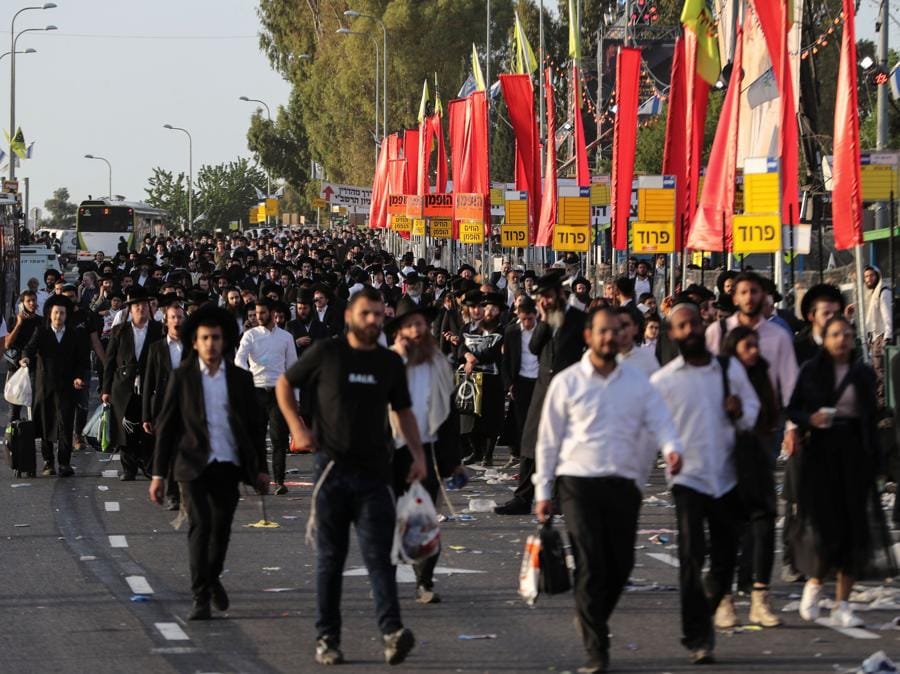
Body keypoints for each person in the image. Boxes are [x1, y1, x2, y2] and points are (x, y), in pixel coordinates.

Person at [275, 287, 426, 666]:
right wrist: (298, 428)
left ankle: (392, 632)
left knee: (381, 558)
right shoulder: (328, 353)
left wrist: (418, 453)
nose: (373, 321)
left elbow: (404, 411)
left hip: (376, 475)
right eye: (366, 314)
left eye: (378, 315)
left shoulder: (389, 363)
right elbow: (284, 384)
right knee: (331, 560)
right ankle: (327, 638)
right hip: (332, 472)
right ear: (349, 317)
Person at [534, 306, 683, 673]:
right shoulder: (567, 382)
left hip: (624, 482)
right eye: (602, 331)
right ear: (588, 336)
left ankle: (591, 614)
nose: (609, 337)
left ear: (623, 337)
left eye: (615, 331)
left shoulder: (636, 382)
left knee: (620, 564)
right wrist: (543, 490)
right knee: (590, 561)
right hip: (577, 482)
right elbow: (547, 441)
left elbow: (660, 418)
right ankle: (596, 647)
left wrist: (672, 447)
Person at [651, 299, 760, 664]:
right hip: (687, 478)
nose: (690, 331)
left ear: (704, 324)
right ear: (672, 335)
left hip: (727, 476)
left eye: (694, 324)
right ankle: (697, 635)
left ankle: (708, 609)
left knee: (726, 558)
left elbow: (753, 408)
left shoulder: (728, 369)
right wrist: (668, 448)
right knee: (691, 553)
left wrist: (740, 412)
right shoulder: (663, 381)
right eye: (681, 327)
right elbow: (656, 425)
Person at [149, 304, 269, 621]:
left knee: (221, 529)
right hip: (191, 464)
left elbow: (255, 427)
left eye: (216, 338)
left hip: (228, 463)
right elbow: (167, 426)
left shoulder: (241, 380)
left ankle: (212, 575)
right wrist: (158, 474)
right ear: (195, 342)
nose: (211, 344)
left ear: (225, 340)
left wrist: (260, 468)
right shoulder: (182, 377)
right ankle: (200, 596)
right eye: (205, 338)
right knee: (200, 525)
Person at [788, 316, 883, 628]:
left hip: (854, 454)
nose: (842, 339)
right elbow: (792, 408)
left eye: (847, 334)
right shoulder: (811, 371)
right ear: (825, 339)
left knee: (854, 531)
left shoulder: (863, 373)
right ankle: (815, 583)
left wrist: (876, 460)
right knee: (826, 528)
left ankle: (843, 604)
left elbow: (871, 417)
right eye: (836, 334)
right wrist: (809, 419)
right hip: (821, 454)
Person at [386, 301, 461, 605]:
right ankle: (385, 582)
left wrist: (453, 461)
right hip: (391, 449)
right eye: (411, 325)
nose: (418, 330)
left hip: (427, 449)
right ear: (400, 332)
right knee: (387, 520)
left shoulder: (438, 362)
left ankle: (424, 582)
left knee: (425, 518)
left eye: (422, 324)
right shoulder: (386, 361)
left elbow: (449, 413)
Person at [496, 270, 586, 515]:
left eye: (547, 296)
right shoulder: (544, 320)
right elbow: (535, 348)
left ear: (558, 294)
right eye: (540, 298)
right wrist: (544, 322)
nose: (544, 302)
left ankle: (559, 497)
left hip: (570, 390)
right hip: (543, 386)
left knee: (565, 443)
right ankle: (523, 498)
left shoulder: (579, 319)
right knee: (530, 441)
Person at [717, 326, 783, 628]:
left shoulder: (761, 374)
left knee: (764, 524)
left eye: (756, 346)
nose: (754, 352)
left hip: (756, 456)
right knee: (728, 530)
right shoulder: (718, 376)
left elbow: (770, 415)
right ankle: (725, 599)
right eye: (747, 346)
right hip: (726, 458)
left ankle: (760, 595)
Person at [21, 295, 91, 477]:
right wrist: (26, 358)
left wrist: (78, 377)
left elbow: (82, 361)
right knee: (45, 424)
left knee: (65, 425)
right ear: (49, 314)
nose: (58, 316)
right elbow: (29, 348)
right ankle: (48, 462)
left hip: (67, 387)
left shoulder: (74, 334)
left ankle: (64, 463)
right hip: (44, 386)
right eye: (55, 313)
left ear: (67, 315)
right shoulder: (41, 331)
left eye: (62, 313)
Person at [235, 297, 298, 495]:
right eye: (256, 313)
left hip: (279, 392)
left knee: (279, 438)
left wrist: (296, 397)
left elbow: (293, 367)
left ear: (273, 314)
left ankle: (279, 480)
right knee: (257, 438)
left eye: (263, 313)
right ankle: (260, 478)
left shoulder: (286, 337)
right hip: (256, 390)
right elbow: (239, 361)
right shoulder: (249, 336)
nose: (258, 317)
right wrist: (245, 386)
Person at [101, 286, 163, 480]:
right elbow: (110, 361)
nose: (140, 309)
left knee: (147, 425)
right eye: (136, 306)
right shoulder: (120, 330)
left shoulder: (157, 330)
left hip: (148, 385)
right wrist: (106, 389)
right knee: (126, 427)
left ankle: (148, 464)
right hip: (123, 385)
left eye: (144, 306)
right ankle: (129, 468)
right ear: (130, 309)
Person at [142, 299, 186, 511]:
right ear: (166, 321)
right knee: (168, 451)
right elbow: (148, 383)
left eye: (180, 317)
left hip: (189, 407)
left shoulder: (194, 346)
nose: (176, 321)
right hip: (163, 407)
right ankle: (173, 494)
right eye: (173, 317)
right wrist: (146, 416)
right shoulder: (156, 349)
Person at [457, 292, 506, 467]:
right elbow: (461, 347)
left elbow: (494, 351)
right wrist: (468, 356)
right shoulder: (468, 328)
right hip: (472, 379)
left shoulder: (501, 329)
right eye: (486, 308)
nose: (487, 312)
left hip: (492, 379)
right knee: (471, 418)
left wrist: (475, 359)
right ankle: (475, 451)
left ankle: (488, 453)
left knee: (491, 419)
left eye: (493, 309)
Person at [501, 296, 539, 469]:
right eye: (523, 319)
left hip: (540, 382)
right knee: (522, 424)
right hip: (521, 382)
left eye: (530, 319)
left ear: (535, 315)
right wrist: (509, 384)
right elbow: (506, 361)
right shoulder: (512, 332)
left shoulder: (543, 331)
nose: (527, 323)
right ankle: (525, 460)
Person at [5, 289, 42, 423]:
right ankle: (12, 439)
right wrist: (19, 323)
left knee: (34, 404)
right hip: (16, 367)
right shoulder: (14, 320)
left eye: (34, 300)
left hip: (34, 367)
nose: (32, 303)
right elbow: (7, 344)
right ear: (22, 303)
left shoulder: (40, 321)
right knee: (14, 406)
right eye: (28, 301)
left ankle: (31, 438)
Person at [614, 307, 658, 377]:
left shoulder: (648, 360)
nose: (622, 331)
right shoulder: (601, 359)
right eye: (617, 325)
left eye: (625, 325)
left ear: (635, 328)